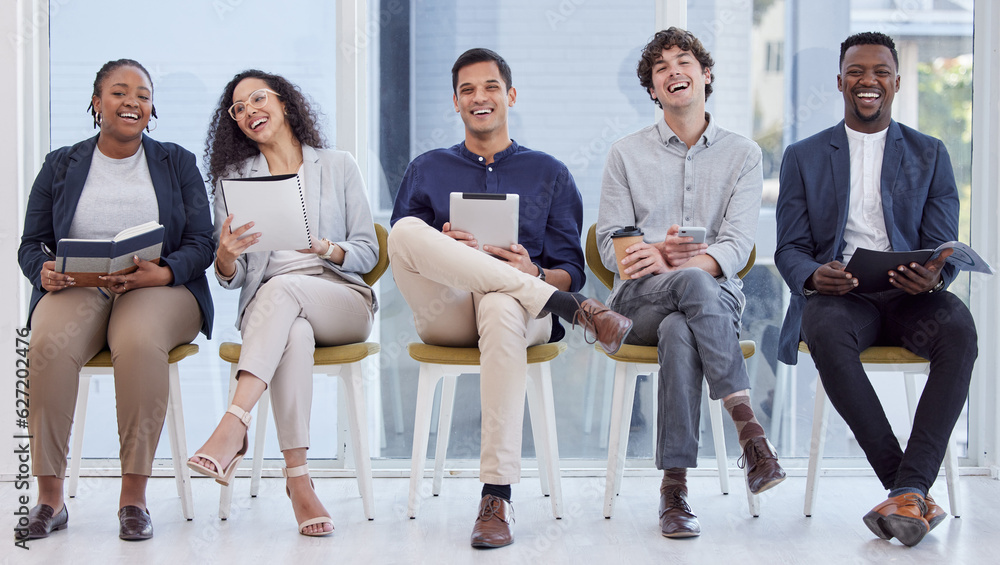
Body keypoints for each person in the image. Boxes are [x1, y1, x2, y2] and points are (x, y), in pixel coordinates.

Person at [389, 47, 632, 549]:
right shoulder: (426, 168)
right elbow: (404, 252)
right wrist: (447, 248)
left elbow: (572, 268)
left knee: (502, 302)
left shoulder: (551, 173)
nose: (480, 97)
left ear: (511, 95)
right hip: (448, 310)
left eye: (491, 87)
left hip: (523, 314)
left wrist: (533, 270)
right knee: (407, 230)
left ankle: (495, 496)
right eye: (468, 90)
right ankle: (579, 314)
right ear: (455, 103)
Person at [775, 31, 978, 547]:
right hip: (844, 299)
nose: (869, 82)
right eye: (858, 72)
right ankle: (907, 489)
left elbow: (942, 243)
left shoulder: (931, 154)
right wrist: (813, 274)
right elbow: (790, 248)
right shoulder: (803, 156)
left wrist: (936, 273)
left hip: (913, 299)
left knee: (959, 328)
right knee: (821, 328)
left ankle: (908, 491)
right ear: (841, 81)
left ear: (897, 81)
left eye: (880, 72)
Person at [596, 28, 785, 539]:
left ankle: (673, 491)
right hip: (638, 301)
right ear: (653, 90)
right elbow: (613, 242)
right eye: (661, 68)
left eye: (684, 62)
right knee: (686, 296)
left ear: (706, 76)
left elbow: (739, 244)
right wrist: (659, 253)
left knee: (684, 327)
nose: (674, 71)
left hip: (709, 297)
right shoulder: (624, 154)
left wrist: (689, 265)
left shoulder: (743, 154)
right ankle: (750, 431)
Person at [17, 59, 214, 541]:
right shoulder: (60, 163)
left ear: (152, 108)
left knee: (140, 342)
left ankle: (133, 498)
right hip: (80, 286)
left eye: (143, 95)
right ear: (96, 102)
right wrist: (40, 270)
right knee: (45, 345)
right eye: (119, 92)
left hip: (158, 287)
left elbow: (203, 242)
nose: (132, 102)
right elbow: (31, 242)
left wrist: (163, 271)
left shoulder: (177, 162)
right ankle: (49, 498)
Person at [187, 70, 378, 537]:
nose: (249, 110)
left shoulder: (337, 166)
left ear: (285, 103)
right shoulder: (232, 180)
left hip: (340, 297)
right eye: (238, 107)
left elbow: (368, 251)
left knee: (285, 290)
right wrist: (226, 258)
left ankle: (234, 423)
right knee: (292, 328)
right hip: (273, 310)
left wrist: (327, 248)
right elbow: (230, 280)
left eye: (258, 98)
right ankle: (299, 481)